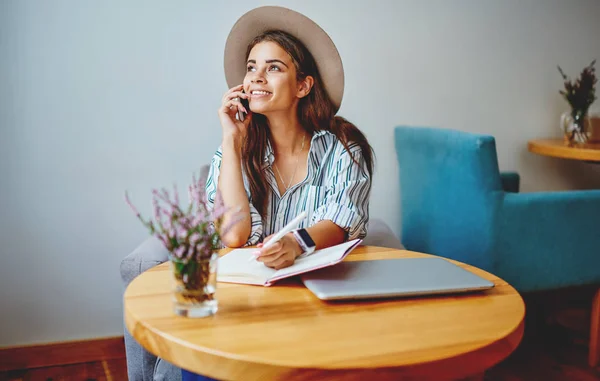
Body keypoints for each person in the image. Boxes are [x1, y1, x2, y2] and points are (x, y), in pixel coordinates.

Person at [205, 7, 374, 271]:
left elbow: (341, 223)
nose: (257, 77)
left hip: (319, 282)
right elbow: (233, 236)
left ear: (302, 86)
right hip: (248, 289)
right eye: (252, 67)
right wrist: (230, 141)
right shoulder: (231, 150)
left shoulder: (342, 148)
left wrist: (296, 243)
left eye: (273, 67)